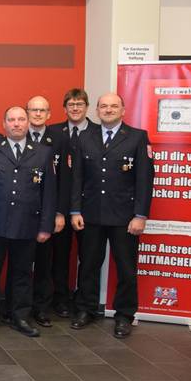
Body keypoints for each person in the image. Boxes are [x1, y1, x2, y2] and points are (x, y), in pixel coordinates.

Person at [70, 93, 154, 339]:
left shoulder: (137, 137)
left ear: (123, 110)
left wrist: (140, 215)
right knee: (88, 265)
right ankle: (86, 309)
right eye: (104, 106)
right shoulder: (85, 137)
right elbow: (77, 177)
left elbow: (144, 179)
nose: (108, 110)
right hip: (91, 214)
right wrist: (75, 210)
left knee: (126, 268)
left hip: (125, 217)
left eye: (114, 106)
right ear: (97, 110)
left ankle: (125, 315)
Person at [0, 106, 56, 338]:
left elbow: (49, 193)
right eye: (11, 120)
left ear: (28, 123)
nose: (16, 124)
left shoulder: (42, 153)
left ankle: (20, 316)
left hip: (27, 225)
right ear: (4, 124)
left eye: (21, 119)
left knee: (22, 273)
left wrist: (45, 226)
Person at [49, 88, 98, 317]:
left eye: (79, 104)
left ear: (87, 107)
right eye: (71, 104)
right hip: (60, 206)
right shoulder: (53, 132)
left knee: (89, 257)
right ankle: (60, 299)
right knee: (60, 256)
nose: (75, 108)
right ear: (64, 108)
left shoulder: (98, 132)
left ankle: (85, 303)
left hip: (90, 208)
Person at [22, 95, 70, 327]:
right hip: (22, 212)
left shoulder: (60, 139)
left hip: (47, 213)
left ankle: (41, 308)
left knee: (44, 263)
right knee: (20, 264)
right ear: (27, 113)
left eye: (42, 110)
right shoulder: (16, 135)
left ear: (49, 114)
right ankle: (19, 306)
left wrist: (59, 212)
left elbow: (65, 179)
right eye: (34, 110)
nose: (38, 114)